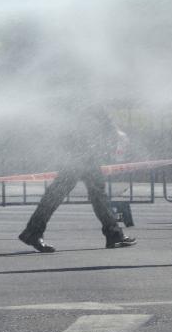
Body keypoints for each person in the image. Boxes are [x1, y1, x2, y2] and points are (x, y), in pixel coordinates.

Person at [17, 87, 136, 252]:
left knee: (77, 191)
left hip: (76, 148)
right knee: (86, 192)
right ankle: (113, 234)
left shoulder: (67, 91)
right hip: (82, 149)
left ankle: (113, 233)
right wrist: (113, 131)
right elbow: (97, 111)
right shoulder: (84, 90)